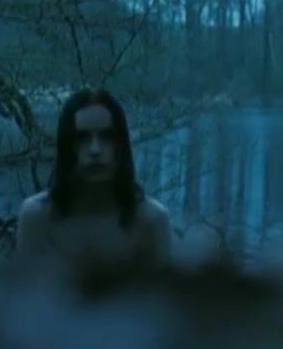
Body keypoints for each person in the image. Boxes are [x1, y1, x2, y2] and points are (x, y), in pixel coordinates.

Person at [16, 88, 171, 268]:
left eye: (106, 137)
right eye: (82, 138)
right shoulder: (37, 218)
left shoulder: (151, 221)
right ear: (68, 146)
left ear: (120, 145)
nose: (95, 150)